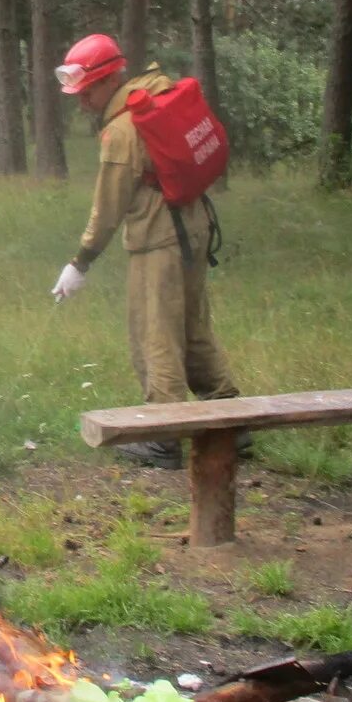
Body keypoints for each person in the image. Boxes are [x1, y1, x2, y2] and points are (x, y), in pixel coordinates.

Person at [50, 33, 241, 469]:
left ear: (106, 81)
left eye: (86, 93)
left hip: (159, 239)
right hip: (194, 228)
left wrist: (80, 261)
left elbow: (108, 207)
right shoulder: (155, 93)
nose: (82, 103)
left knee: (155, 334)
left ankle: (163, 438)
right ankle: (233, 421)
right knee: (193, 326)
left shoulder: (122, 130)